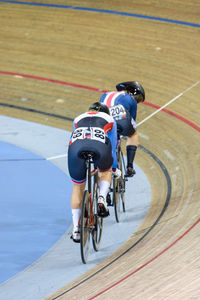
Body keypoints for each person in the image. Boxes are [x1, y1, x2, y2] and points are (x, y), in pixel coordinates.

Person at [68, 102, 119, 242]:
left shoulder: (78, 118)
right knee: (105, 171)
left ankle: (76, 229)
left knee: (77, 187)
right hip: (99, 147)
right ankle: (102, 198)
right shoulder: (110, 120)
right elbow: (113, 148)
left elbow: (73, 138)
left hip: (76, 149)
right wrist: (113, 169)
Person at [100, 81, 145, 177]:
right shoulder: (130, 99)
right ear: (130, 92)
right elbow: (132, 121)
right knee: (133, 134)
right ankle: (129, 166)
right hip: (120, 120)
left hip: (102, 121)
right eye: (137, 98)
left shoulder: (105, 94)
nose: (136, 100)